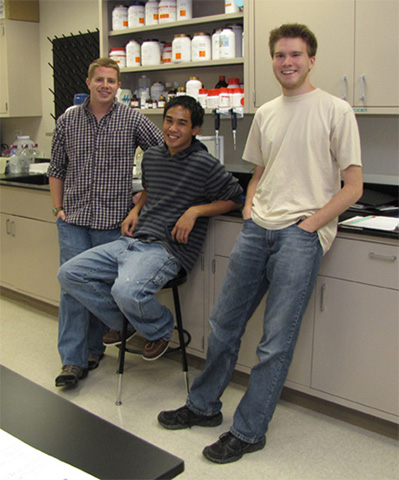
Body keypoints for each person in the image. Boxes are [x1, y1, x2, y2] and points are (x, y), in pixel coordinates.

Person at [157, 23, 363, 464]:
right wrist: (250, 207)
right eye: (279, 55)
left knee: (274, 342)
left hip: (299, 236)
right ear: (272, 60)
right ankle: (203, 406)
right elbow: (260, 170)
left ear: (311, 59)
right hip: (258, 229)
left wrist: (312, 225)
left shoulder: (336, 109)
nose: (287, 62)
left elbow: (353, 186)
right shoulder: (267, 112)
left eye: (295, 55)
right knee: (222, 324)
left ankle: (249, 431)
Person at [56, 95, 243, 381]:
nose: (173, 128)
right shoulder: (153, 156)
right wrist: (137, 209)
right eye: (169, 121)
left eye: (182, 123)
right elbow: (151, 190)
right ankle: (128, 324)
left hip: (167, 249)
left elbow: (236, 198)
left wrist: (195, 211)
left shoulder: (205, 164)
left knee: (126, 290)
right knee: (69, 274)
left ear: (194, 130)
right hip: (133, 240)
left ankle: (162, 328)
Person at [49, 57, 164, 387]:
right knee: (71, 287)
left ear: (118, 86)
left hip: (112, 221)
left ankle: (93, 349)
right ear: (88, 83)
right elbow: (56, 168)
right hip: (73, 218)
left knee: (101, 286)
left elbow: (163, 157)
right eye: (99, 79)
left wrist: (139, 204)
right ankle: (71, 361)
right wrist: (57, 207)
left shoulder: (132, 119)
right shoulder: (68, 120)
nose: (104, 86)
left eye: (111, 81)